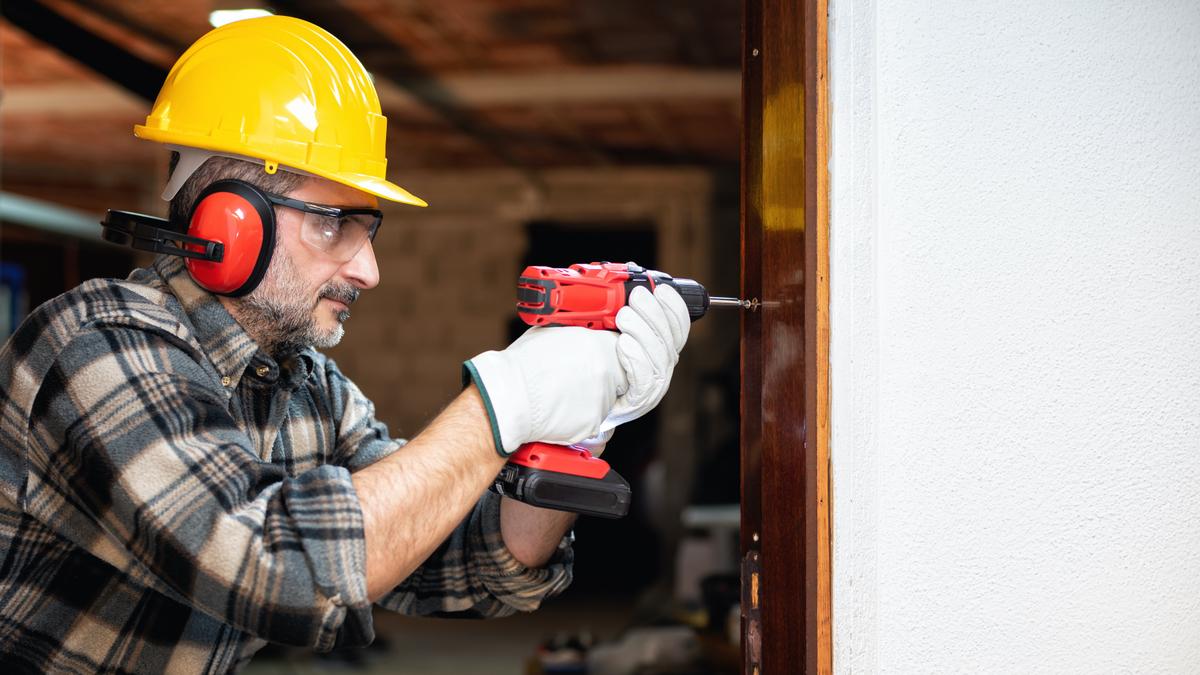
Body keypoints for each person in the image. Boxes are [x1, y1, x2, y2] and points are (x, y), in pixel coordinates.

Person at [0, 15, 690, 672]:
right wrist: (505, 398)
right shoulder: (93, 347)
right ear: (230, 223)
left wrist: (574, 430)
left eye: (369, 230)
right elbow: (283, 570)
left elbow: (465, 560)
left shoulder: (305, 386)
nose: (369, 269)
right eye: (335, 223)